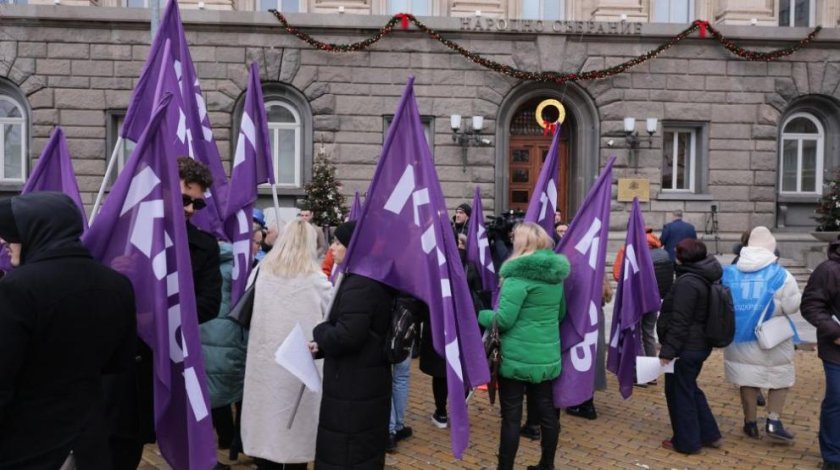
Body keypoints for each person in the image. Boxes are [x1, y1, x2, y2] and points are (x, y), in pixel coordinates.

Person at [0, 192, 136, 469]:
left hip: (28, 444)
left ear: (37, 230)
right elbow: (119, 362)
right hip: (90, 441)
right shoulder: (118, 285)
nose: (4, 241)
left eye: (12, 233)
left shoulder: (17, 289)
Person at [106, 156, 222, 468]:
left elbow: (210, 303)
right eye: (185, 199)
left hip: (175, 359)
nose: (189, 209)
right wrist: (114, 272)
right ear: (164, 190)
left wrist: (155, 319)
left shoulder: (205, 246)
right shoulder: (125, 235)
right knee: (121, 445)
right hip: (126, 367)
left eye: (196, 204)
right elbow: (97, 300)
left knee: (183, 445)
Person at [477, 222, 570, 470]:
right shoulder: (555, 277)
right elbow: (560, 313)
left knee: (511, 417)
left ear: (522, 244)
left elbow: (503, 320)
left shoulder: (517, 277)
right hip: (546, 356)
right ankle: (546, 464)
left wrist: (480, 314)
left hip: (516, 359)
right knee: (548, 414)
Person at [241, 219, 331, 469]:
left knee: (265, 430)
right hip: (298, 366)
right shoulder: (317, 280)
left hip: (265, 363)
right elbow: (331, 316)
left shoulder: (261, 272)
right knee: (296, 438)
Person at [310, 221, 395, 469]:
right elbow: (360, 331)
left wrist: (320, 330)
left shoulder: (360, 283)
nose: (332, 248)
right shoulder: (364, 277)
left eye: (338, 243)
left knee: (347, 455)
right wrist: (322, 346)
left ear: (354, 249)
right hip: (360, 383)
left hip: (353, 390)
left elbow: (348, 336)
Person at [722, 226, 801, 442]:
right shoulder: (781, 274)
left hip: (738, 336)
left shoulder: (729, 272)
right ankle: (774, 422)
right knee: (780, 378)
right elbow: (792, 305)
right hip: (772, 336)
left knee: (746, 378)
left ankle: (750, 423)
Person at [200, 222, 264, 463]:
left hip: (208, 335)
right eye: (255, 242)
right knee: (242, 392)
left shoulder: (208, 262)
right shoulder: (243, 269)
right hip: (232, 337)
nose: (257, 246)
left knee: (216, 390)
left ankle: (226, 438)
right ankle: (240, 442)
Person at [657, 239, 722, 454]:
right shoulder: (703, 275)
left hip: (686, 347)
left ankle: (686, 442)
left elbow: (680, 321)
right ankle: (708, 433)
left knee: (679, 393)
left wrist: (668, 351)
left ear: (683, 257)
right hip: (698, 344)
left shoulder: (687, 282)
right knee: (689, 388)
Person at [801, 235, 840, 470]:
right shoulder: (829, 269)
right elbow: (811, 305)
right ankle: (833, 456)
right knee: (837, 400)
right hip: (836, 350)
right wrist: (834, 332)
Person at [613, 228, 673, 358]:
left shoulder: (627, 249)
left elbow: (618, 275)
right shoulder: (662, 252)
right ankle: (650, 368)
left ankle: (639, 367)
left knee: (635, 333)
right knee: (649, 332)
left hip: (635, 298)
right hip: (654, 298)